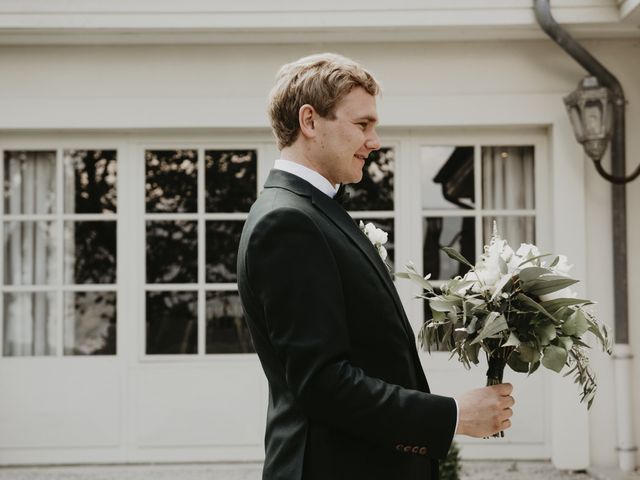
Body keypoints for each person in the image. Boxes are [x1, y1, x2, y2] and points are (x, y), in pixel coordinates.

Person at [237, 53, 514, 480]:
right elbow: (324, 384)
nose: (375, 140)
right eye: (362, 124)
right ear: (310, 122)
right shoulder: (287, 222)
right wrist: (453, 416)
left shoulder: (314, 211)